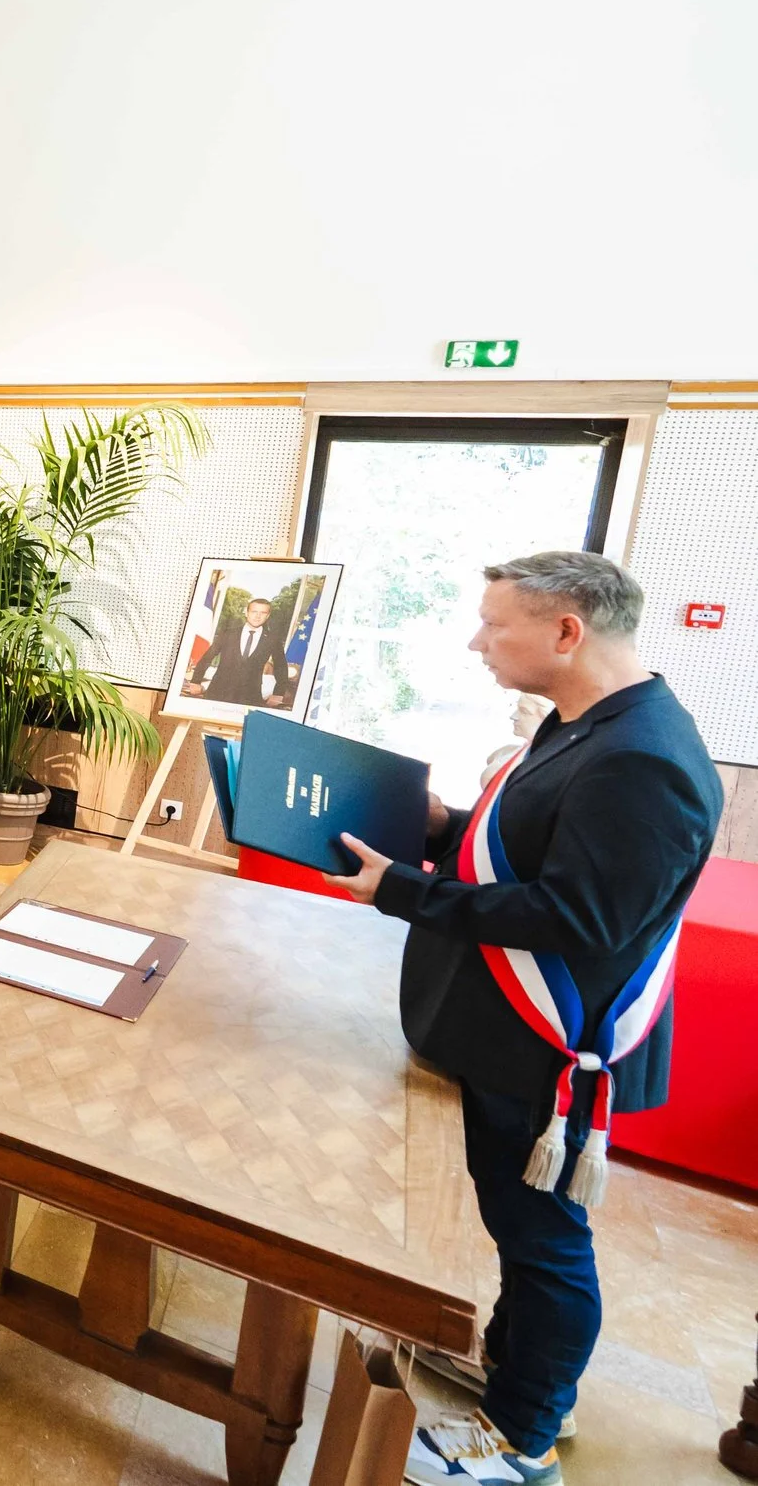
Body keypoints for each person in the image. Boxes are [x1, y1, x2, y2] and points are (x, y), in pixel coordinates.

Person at [320, 552, 723, 1486]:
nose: (477, 640)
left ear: (566, 631)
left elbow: (577, 917)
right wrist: (440, 825)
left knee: (543, 1238)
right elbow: (536, 848)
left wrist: (405, 892)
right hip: (506, 1029)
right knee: (517, 1221)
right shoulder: (591, 721)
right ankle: (517, 1368)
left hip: (554, 1045)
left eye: (494, 624)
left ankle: (527, 1430)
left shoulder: (647, 757)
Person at [183, 594, 287, 707]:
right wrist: (195, 681)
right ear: (246, 613)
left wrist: (278, 693)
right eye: (254, 612)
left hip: (250, 697)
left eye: (263, 613)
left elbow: (280, 667)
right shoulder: (228, 633)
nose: (258, 616)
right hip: (217, 693)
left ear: (268, 616)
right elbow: (207, 658)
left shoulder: (272, 640)